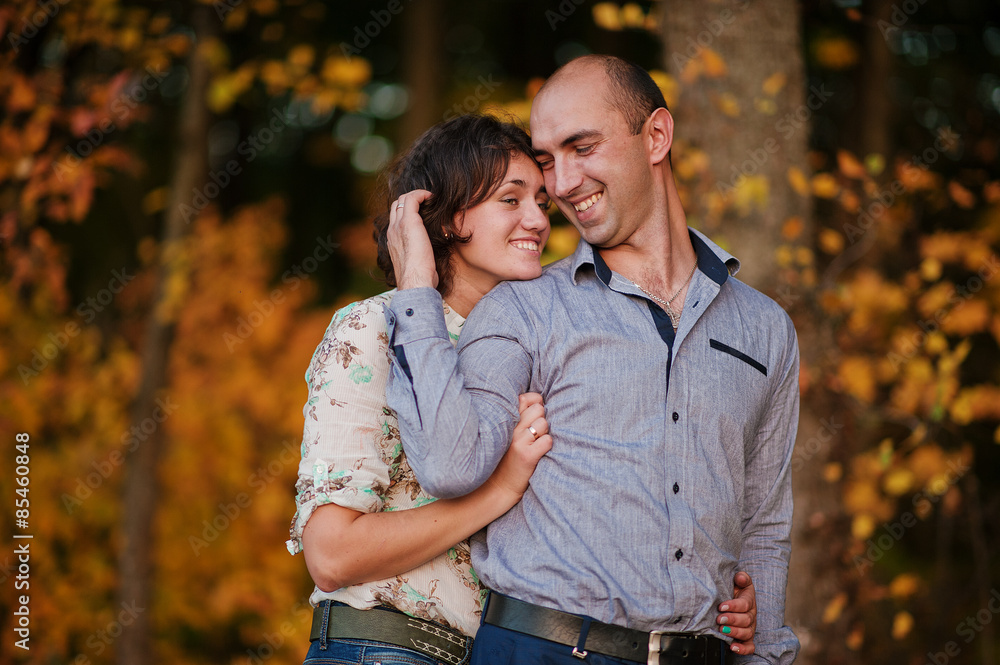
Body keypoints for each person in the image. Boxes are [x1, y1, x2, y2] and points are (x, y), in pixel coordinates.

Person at [288, 114, 759, 665]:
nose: (538, 220)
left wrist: (710, 598)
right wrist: (499, 490)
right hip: (384, 647)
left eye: (540, 201)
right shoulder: (373, 329)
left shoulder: (543, 341)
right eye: (510, 200)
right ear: (447, 219)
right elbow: (333, 556)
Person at [385, 55, 798, 665]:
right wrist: (417, 291)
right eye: (548, 160)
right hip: (541, 650)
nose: (562, 182)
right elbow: (451, 464)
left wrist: (765, 656)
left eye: (582, 148)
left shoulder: (765, 328)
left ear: (656, 136)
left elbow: (764, 528)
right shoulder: (521, 308)